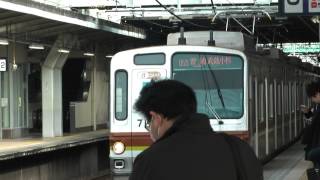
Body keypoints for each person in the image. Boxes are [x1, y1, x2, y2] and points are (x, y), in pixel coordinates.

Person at [129, 79, 263, 180]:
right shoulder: (238, 149)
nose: (149, 129)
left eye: (149, 123)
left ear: (156, 118)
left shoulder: (149, 161)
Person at [304, 81, 320, 168]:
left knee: (312, 156)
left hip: (317, 144)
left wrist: (308, 114)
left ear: (317, 94)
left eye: (312, 97)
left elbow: (312, 123)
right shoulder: (317, 106)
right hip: (316, 143)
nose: (312, 100)